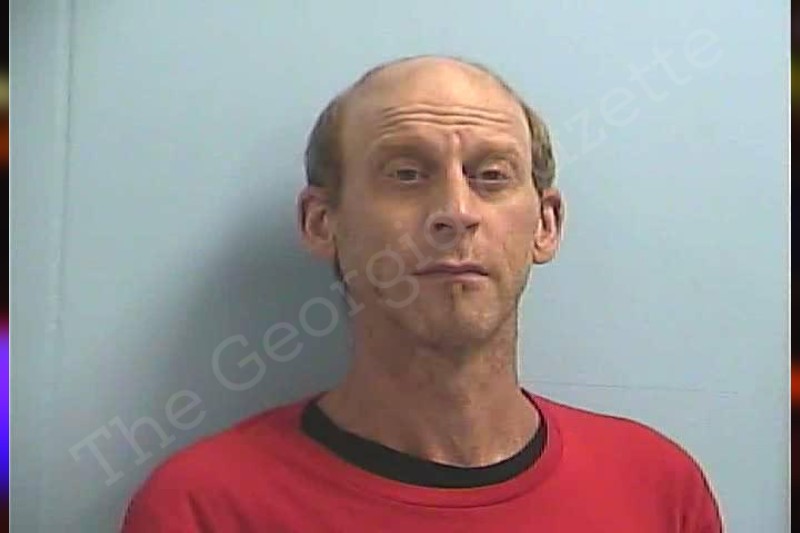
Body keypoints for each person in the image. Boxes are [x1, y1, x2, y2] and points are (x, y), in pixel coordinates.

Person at [121, 55, 724, 532]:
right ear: (321, 223)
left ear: (546, 224)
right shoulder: (204, 509)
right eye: (406, 174)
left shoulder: (657, 489)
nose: (456, 212)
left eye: (492, 176)